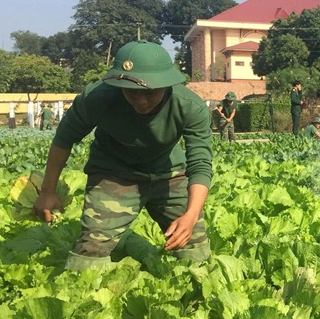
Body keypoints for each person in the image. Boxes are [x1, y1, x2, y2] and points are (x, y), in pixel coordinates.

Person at [31, 40, 213, 270]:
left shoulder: (189, 106)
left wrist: (190, 216)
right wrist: (47, 191)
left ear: (167, 84)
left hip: (169, 175)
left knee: (193, 247)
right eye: (131, 91)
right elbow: (64, 140)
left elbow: (200, 163)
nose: (141, 100)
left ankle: (195, 300)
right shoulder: (96, 98)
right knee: (92, 250)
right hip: (113, 174)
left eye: (150, 92)